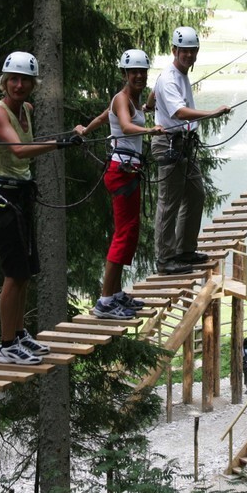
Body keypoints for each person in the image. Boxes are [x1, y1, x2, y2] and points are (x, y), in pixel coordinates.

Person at [0, 51, 83, 363]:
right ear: (4, 82)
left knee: (25, 272)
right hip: (2, 199)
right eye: (13, 79)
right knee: (14, 273)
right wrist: (62, 142)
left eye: (25, 80)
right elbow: (20, 150)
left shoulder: (26, 109)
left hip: (20, 196)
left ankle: (19, 332)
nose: (19, 85)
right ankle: (6, 343)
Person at [75, 49, 163, 319]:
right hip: (121, 171)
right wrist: (150, 130)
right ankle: (104, 302)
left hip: (129, 170)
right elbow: (124, 126)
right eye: (133, 71)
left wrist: (85, 130)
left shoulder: (133, 100)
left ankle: (114, 294)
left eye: (142, 71)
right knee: (123, 233)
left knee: (130, 231)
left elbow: (105, 117)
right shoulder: (122, 99)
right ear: (125, 73)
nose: (138, 75)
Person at [147, 26, 231, 275]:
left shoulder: (178, 75)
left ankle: (185, 250)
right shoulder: (170, 78)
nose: (189, 56)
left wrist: (150, 104)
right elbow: (179, 112)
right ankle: (164, 259)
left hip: (183, 143)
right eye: (184, 51)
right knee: (169, 202)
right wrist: (212, 112)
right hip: (169, 144)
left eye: (193, 51)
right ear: (174, 50)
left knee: (196, 194)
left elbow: (154, 93)